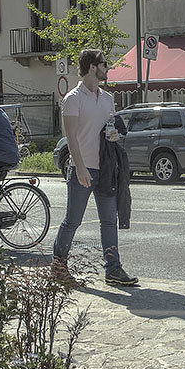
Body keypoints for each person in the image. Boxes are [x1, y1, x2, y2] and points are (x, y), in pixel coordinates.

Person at [51, 49, 139, 287]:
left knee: (109, 221)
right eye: (104, 64)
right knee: (72, 221)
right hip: (83, 168)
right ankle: (58, 268)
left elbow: (110, 128)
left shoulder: (108, 99)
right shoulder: (73, 98)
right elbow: (71, 138)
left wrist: (114, 135)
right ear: (92, 66)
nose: (107, 69)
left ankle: (113, 270)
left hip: (106, 169)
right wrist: (79, 168)